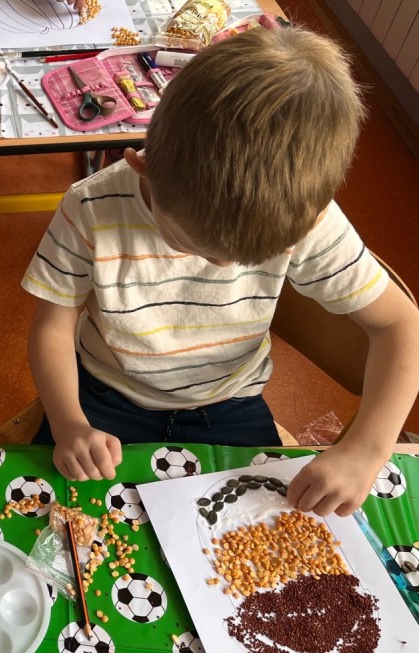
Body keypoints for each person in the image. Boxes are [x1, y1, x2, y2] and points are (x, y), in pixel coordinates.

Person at [23, 26, 419, 517]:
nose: (223, 266)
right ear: (145, 168)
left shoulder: (308, 217)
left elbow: (402, 325)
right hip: (105, 395)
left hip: (229, 404)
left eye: (246, 257)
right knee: (55, 516)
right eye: (191, 243)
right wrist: (69, 423)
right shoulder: (89, 207)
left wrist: (366, 450)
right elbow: (53, 328)